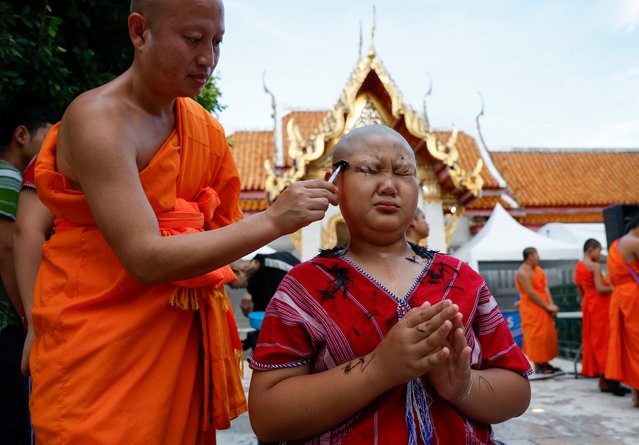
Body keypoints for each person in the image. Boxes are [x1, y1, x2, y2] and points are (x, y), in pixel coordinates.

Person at [28, 0, 339, 443]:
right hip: (97, 351)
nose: (208, 58)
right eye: (193, 40)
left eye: (217, 42)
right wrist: (273, 220)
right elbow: (145, 257)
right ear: (140, 32)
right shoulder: (99, 120)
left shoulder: (203, 130)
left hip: (179, 348)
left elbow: (217, 234)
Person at [248, 124, 532, 444]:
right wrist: (380, 369)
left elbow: (517, 390)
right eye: (370, 170)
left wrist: (463, 387)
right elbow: (267, 416)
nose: (389, 185)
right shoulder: (303, 287)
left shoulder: (461, 279)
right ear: (335, 183)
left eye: (403, 172)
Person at [0, 104, 55, 444]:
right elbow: (7, 250)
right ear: (21, 135)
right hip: (7, 324)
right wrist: (29, 317)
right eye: (48, 136)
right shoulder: (8, 176)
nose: (54, 144)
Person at [575, 239, 628, 395]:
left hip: (588, 305)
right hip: (600, 306)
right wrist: (617, 287)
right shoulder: (595, 266)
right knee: (606, 341)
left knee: (595, 341)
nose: (600, 254)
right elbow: (600, 288)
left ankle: (604, 380)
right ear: (591, 249)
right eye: (599, 250)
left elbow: (580, 291)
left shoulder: (578, 266)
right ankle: (609, 379)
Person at [229, 251, 300, 352]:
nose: (231, 288)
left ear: (236, 271)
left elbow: (303, 284)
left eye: (229, 283)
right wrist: (249, 312)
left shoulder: (275, 265)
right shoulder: (253, 286)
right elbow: (263, 318)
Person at [606, 215, 639, 407]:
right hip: (634, 296)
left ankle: (636, 393)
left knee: (629, 344)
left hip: (619, 297)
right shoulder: (634, 242)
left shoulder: (615, 244)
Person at [515, 247, 561, 375]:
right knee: (536, 335)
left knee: (547, 334)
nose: (538, 257)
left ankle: (545, 362)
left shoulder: (539, 270)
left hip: (543, 306)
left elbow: (545, 288)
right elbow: (530, 293)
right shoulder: (522, 272)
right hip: (531, 307)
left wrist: (550, 305)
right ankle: (539, 364)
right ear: (530, 256)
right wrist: (547, 306)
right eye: (536, 255)